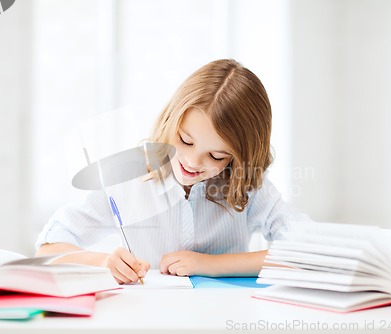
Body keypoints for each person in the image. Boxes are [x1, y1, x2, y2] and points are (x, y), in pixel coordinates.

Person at [35, 59, 309, 284]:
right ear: (170, 120)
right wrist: (103, 261)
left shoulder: (247, 186)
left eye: (216, 155)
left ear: (239, 158)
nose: (191, 161)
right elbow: (49, 248)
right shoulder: (127, 176)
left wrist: (210, 264)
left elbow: (306, 252)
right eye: (185, 141)